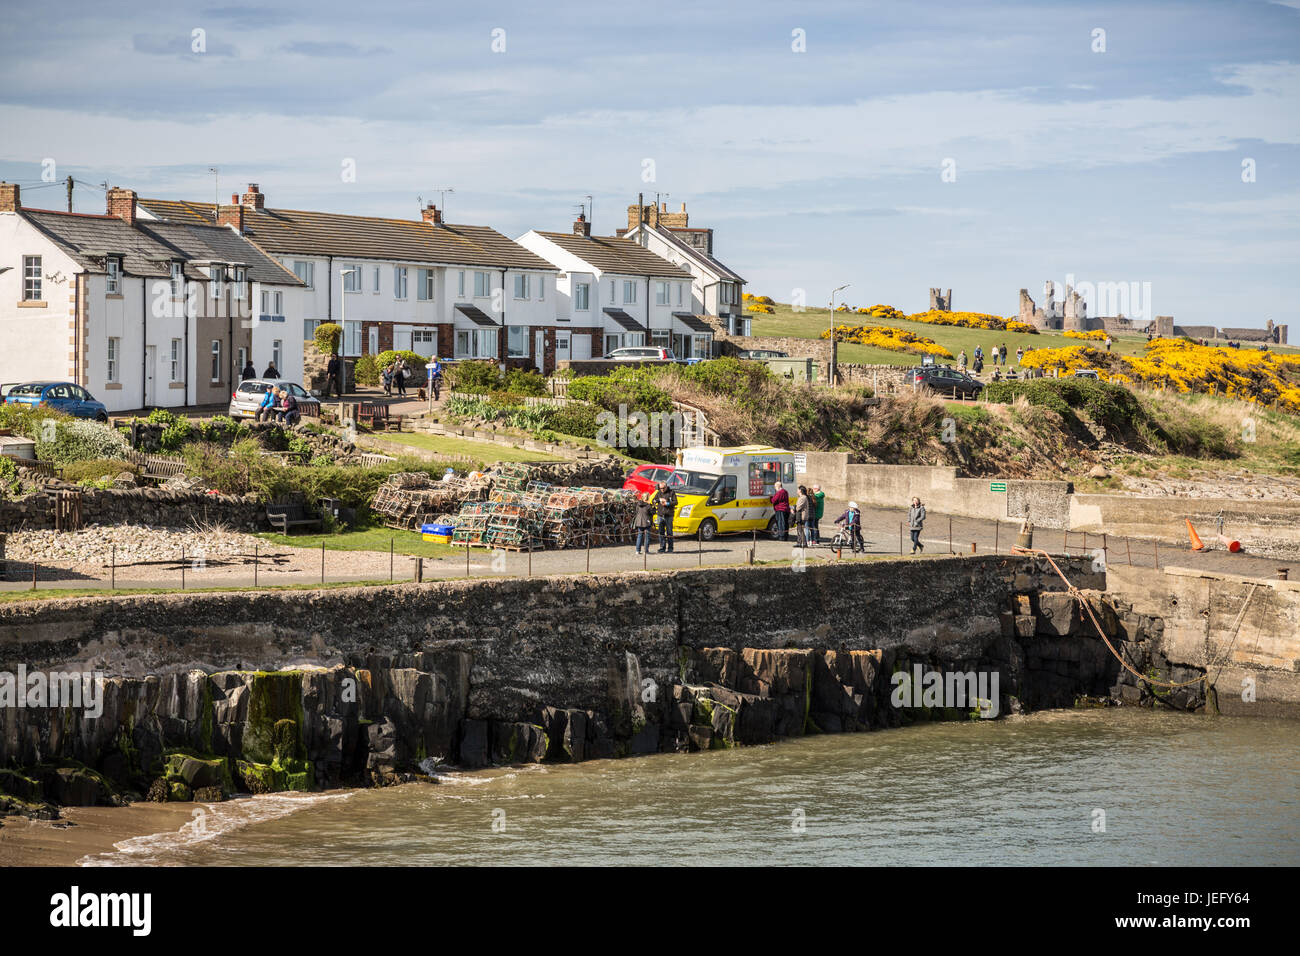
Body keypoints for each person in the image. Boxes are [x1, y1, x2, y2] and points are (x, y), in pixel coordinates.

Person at [654, 480, 677, 553]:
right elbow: (654, 500)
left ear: (666, 486)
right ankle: (662, 547)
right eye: (661, 488)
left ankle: (670, 548)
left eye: (663, 488)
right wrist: (659, 500)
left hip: (669, 515)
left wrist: (667, 503)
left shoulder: (671, 492)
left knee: (669, 532)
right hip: (660, 515)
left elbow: (675, 502)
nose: (662, 489)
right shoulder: (659, 492)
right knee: (661, 532)